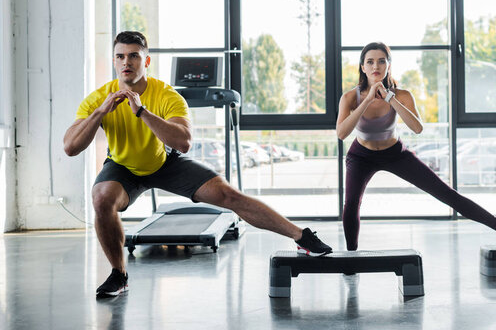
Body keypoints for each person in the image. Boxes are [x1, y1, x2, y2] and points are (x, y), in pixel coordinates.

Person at [64, 31, 332, 299]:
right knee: (101, 198)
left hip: (165, 162)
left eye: (134, 56)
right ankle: (118, 274)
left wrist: (142, 112)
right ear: (114, 61)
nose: (127, 62)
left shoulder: (166, 95)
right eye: (120, 56)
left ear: (146, 62)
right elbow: (70, 147)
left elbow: (183, 143)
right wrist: (100, 112)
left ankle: (301, 237)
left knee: (227, 194)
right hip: (123, 166)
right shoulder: (99, 97)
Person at [336, 41, 496, 252]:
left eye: (381, 61)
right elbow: (342, 133)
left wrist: (390, 99)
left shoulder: (402, 95)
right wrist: (367, 100)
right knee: (350, 205)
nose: (375, 66)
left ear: (388, 65)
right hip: (361, 156)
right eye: (370, 62)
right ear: (363, 67)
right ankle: (352, 256)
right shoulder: (350, 97)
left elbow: (417, 128)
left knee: (446, 194)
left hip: (395, 154)